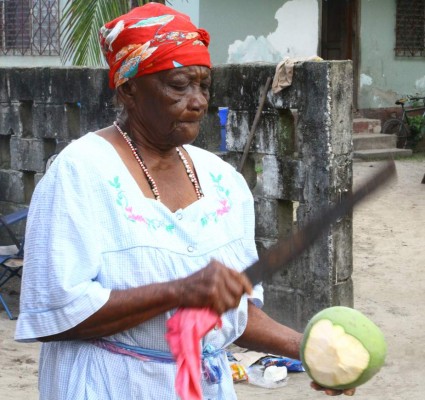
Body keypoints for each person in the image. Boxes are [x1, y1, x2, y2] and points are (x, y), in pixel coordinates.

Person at [15, 3, 355, 399]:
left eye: (204, 85)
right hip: (108, 385)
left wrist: (308, 349)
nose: (197, 101)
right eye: (179, 85)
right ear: (128, 88)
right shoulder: (79, 173)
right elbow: (55, 314)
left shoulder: (223, 181)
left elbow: (233, 315)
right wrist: (178, 291)